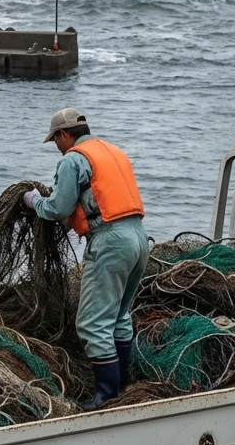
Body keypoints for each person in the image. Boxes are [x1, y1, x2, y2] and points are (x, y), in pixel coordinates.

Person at [23, 108, 150, 410]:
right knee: (118, 316)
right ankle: (124, 386)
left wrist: (33, 200)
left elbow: (58, 207)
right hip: (138, 238)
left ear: (64, 134)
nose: (56, 145)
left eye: (55, 139)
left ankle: (106, 397)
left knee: (92, 324)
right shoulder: (113, 152)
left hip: (110, 242)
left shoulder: (73, 159)